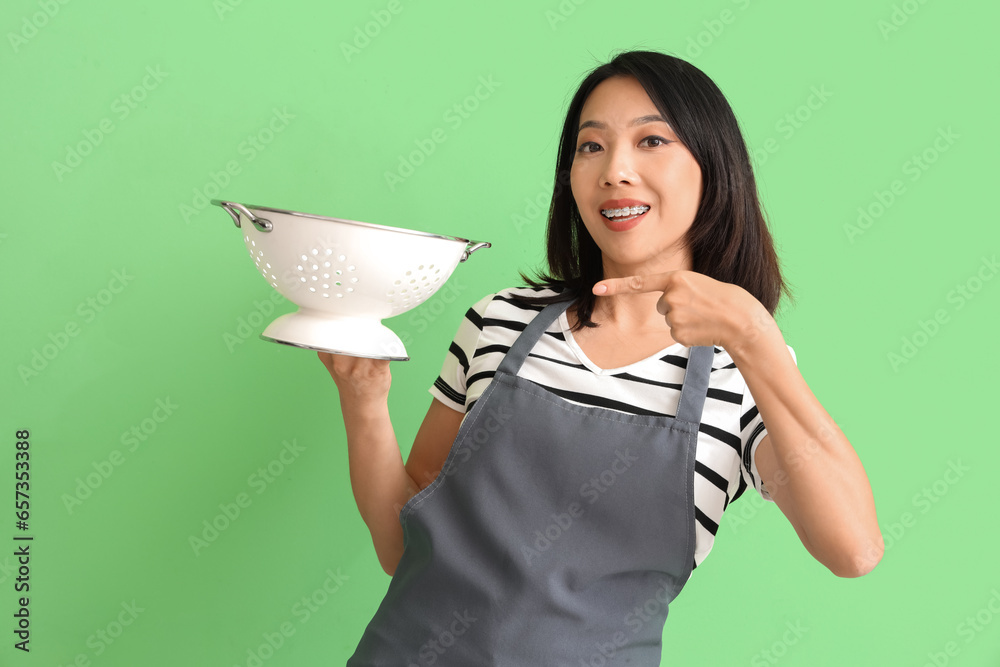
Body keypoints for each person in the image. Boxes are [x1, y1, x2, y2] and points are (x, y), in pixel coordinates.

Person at [319, 49, 883, 666]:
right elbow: (403, 550)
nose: (615, 170)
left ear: (713, 169)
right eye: (591, 147)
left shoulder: (744, 373)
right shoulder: (498, 321)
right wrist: (363, 399)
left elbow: (852, 550)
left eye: (651, 141)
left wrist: (753, 335)